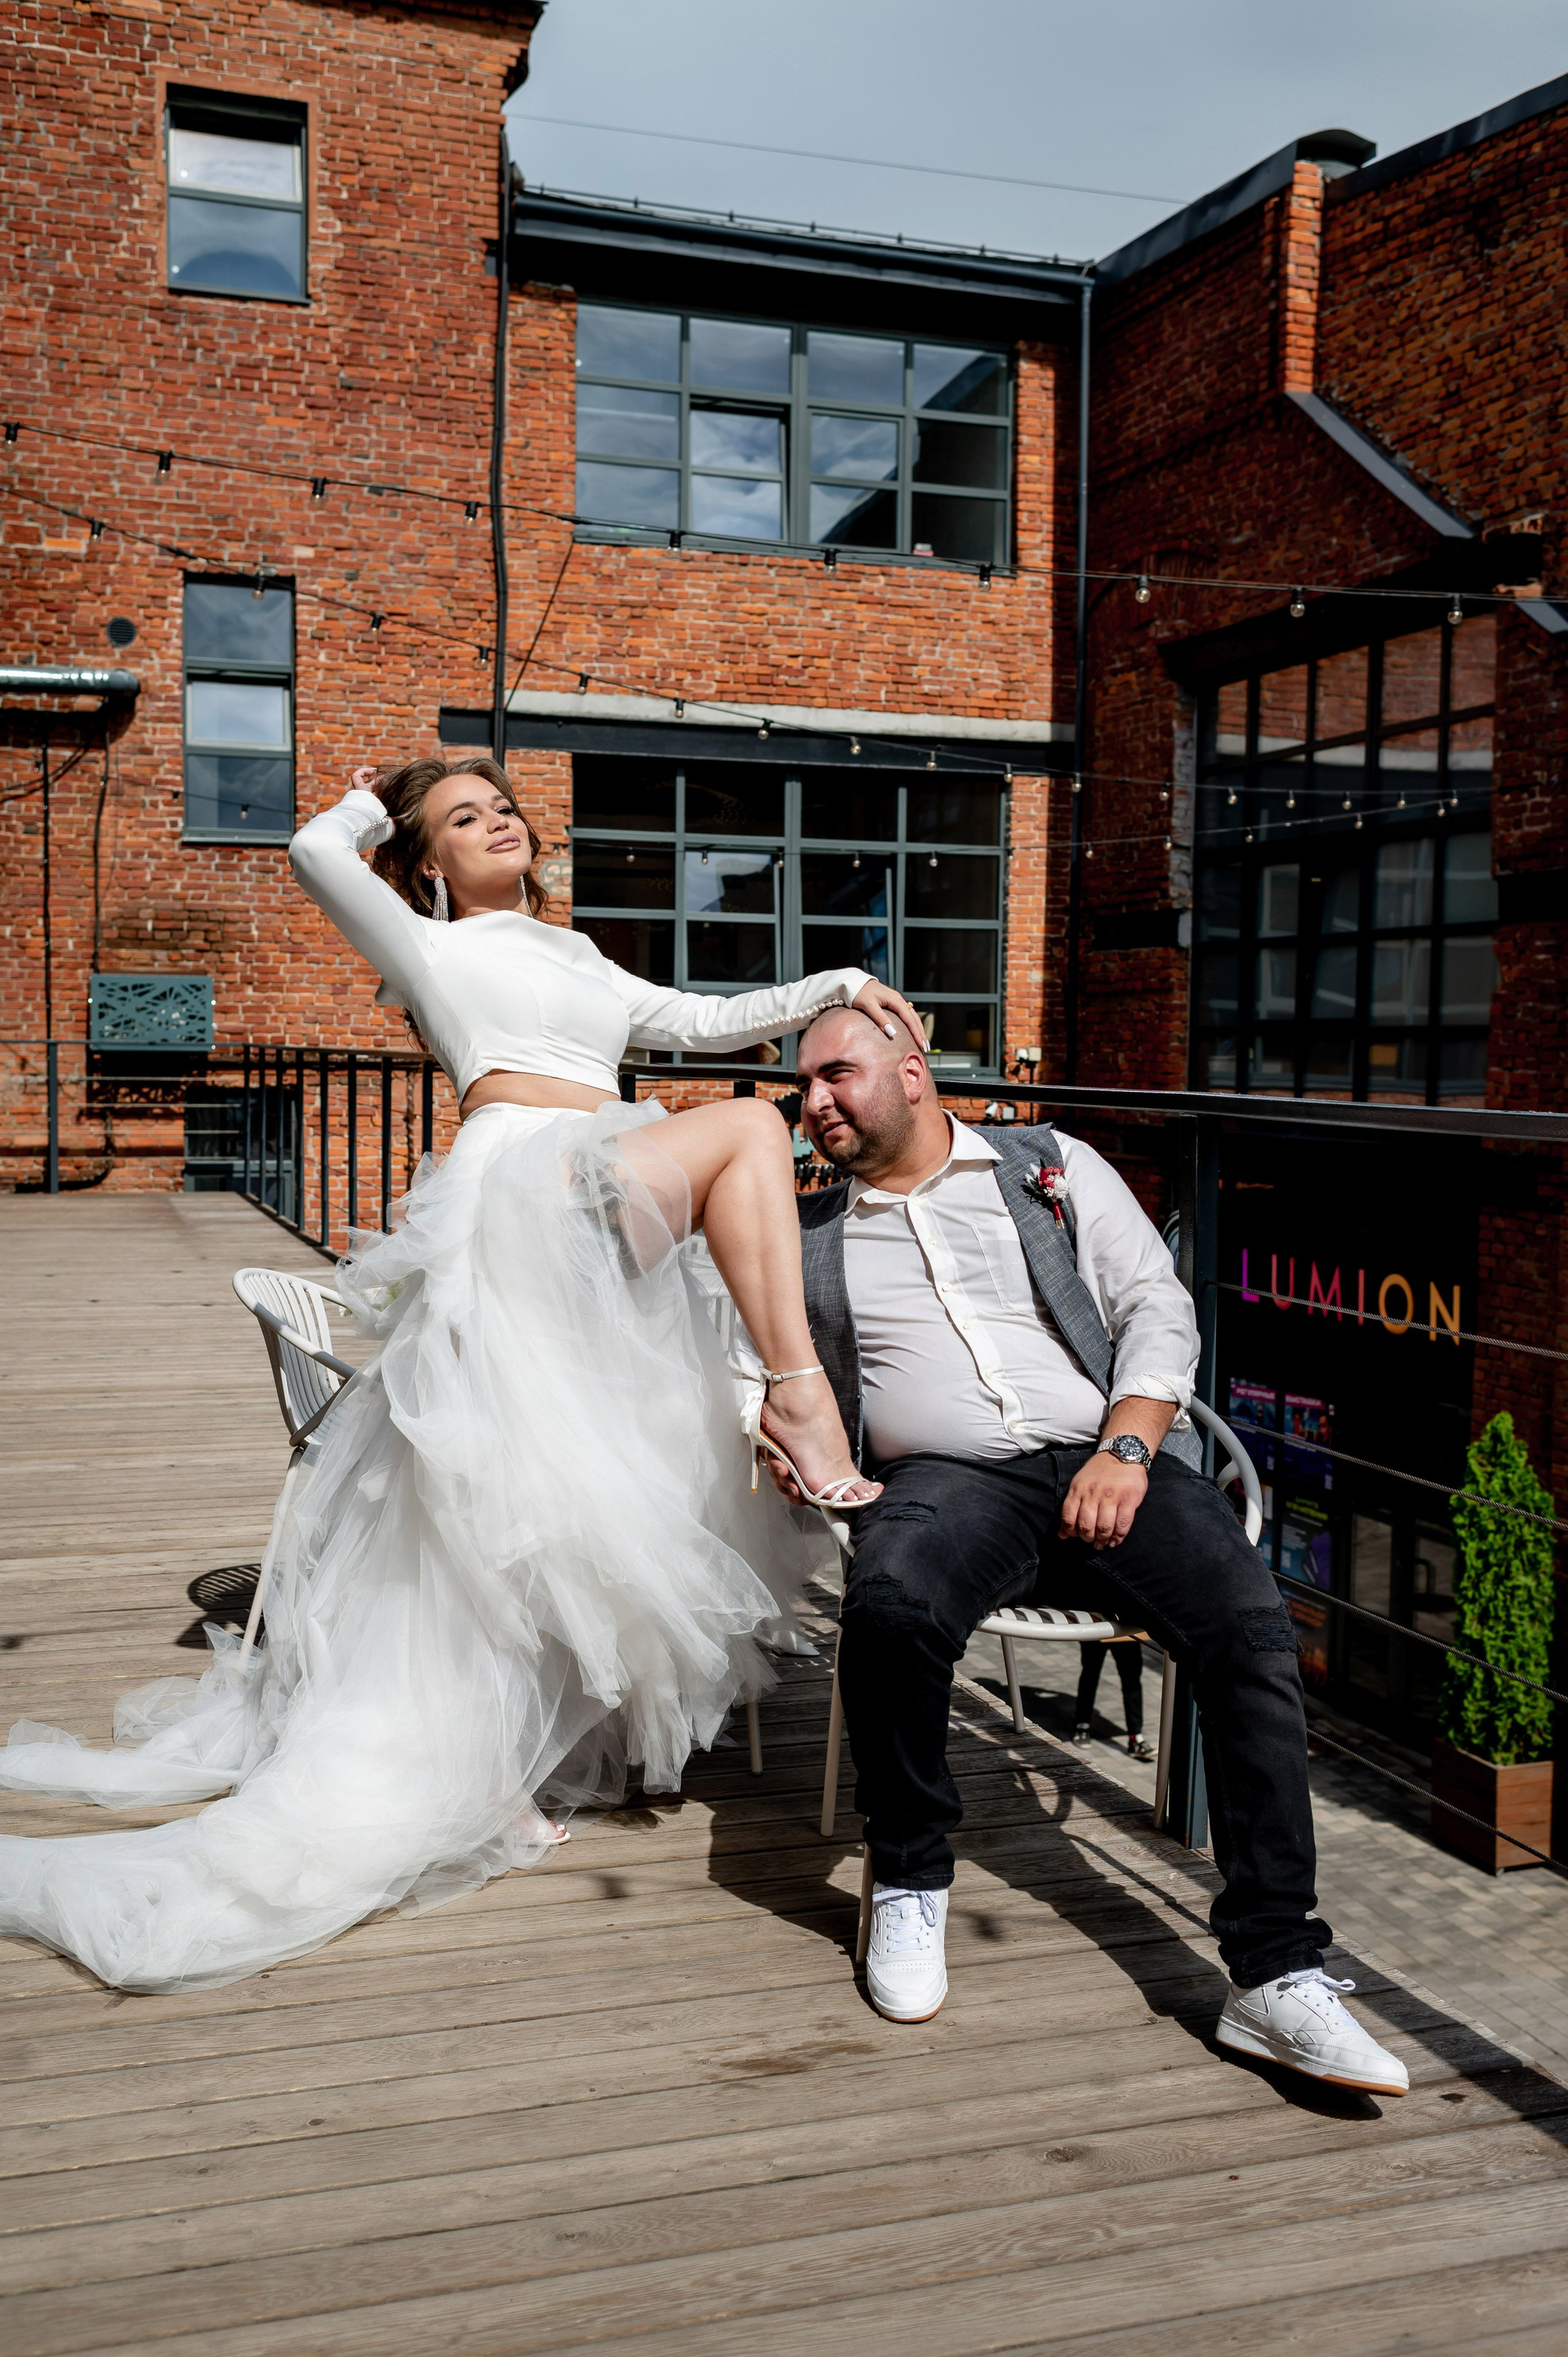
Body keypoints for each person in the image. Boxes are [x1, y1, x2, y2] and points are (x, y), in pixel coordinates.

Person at [0, 759, 925, 1994]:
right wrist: (375, 800)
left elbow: (708, 1019)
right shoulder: (429, 944)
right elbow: (316, 855)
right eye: (462, 817)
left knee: (561, 1496)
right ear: (428, 861)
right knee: (755, 1127)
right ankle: (798, 1393)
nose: (496, 821)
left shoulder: (581, 953)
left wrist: (843, 984)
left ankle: (501, 1765)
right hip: (522, 1195)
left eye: (502, 807)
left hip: (602, 1190)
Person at [772, 1004, 1407, 2097]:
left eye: (837, 1074)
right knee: (890, 1606)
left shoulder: (1048, 1165)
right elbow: (757, 1372)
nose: (814, 1102)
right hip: (946, 1481)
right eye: (804, 1087)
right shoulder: (806, 1231)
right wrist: (783, 1441)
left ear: (914, 1074)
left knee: (1252, 1631)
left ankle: (1276, 1972)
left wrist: (1126, 1446)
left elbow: (1155, 1303)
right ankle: (910, 1876)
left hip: (1106, 1454)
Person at [1073, 1637, 1156, 1761]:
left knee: (1132, 1680)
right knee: (1090, 1674)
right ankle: (1082, 1726)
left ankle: (1136, 1738)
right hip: (1098, 1630)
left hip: (1126, 1632)